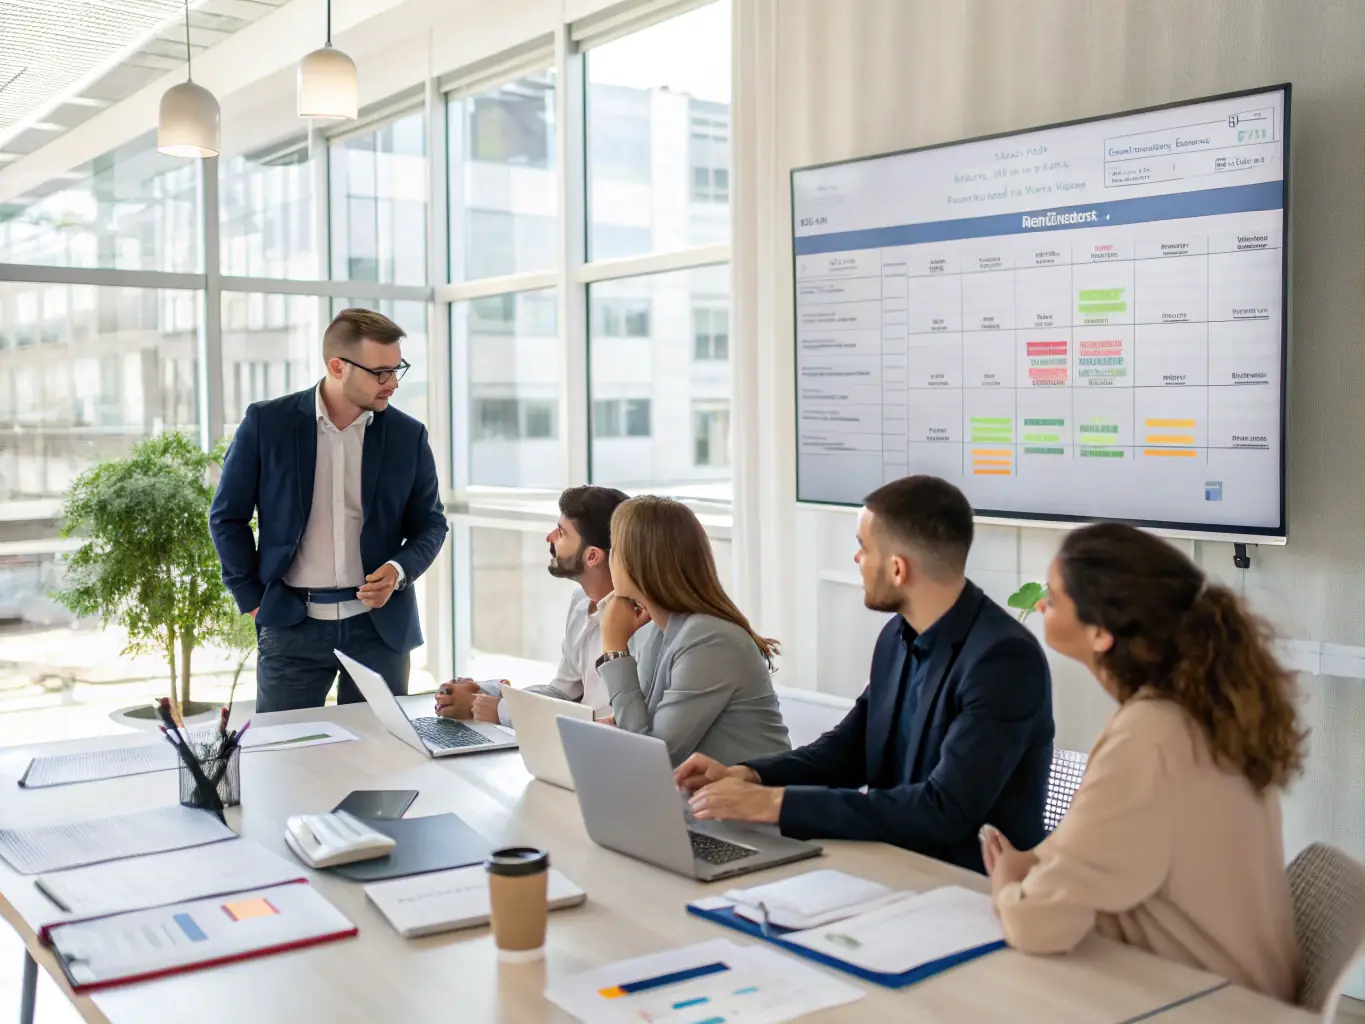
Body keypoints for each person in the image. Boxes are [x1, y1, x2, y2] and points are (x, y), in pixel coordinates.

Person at [982, 523, 1304, 1002]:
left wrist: (1007, 882)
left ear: (1100, 634)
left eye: (1053, 595)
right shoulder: (1200, 712)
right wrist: (1038, 861)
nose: (1042, 605)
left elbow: (1038, 924)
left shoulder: (1148, 738)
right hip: (1232, 991)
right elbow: (1114, 850)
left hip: (1212, 1006)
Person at [676, 474, 1053, 873]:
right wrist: (749, 775)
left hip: (968, 884)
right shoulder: (896, 636)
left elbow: (943, 809)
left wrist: (774, 804)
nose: (857, 559)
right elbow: (849, 750)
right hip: (890, 863)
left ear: (897, 569)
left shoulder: (1003, 661)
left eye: (863, 547)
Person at [210, 308, 447, 713]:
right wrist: (251, 598)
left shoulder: (408, 435)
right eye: (380, 373)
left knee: (380, 748)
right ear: (337, 367)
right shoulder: (268, 423)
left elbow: (431, 524)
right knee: (286, 748)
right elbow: (227, 517)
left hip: (380, 632)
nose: (392, 383)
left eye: (397, 369)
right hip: (290, 627)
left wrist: (398, 570)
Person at [593, 495, 790, 766]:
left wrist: (614, 650)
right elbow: (645, 731)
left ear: (637, 561)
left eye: (615, 548)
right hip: (694, 790)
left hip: (749, 792)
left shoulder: (710, 639)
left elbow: (654, 757)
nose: (610, 558)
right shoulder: (661, 631)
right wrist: (619, 726)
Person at [433, 484, 651, 725]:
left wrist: (504, 711)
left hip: (599, 741)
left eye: (562, 533)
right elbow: (562, 693)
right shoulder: (581, 601)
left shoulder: (642, 623)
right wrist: (488, 695)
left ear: (592, 556)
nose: (550, 537)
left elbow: (619, 720)